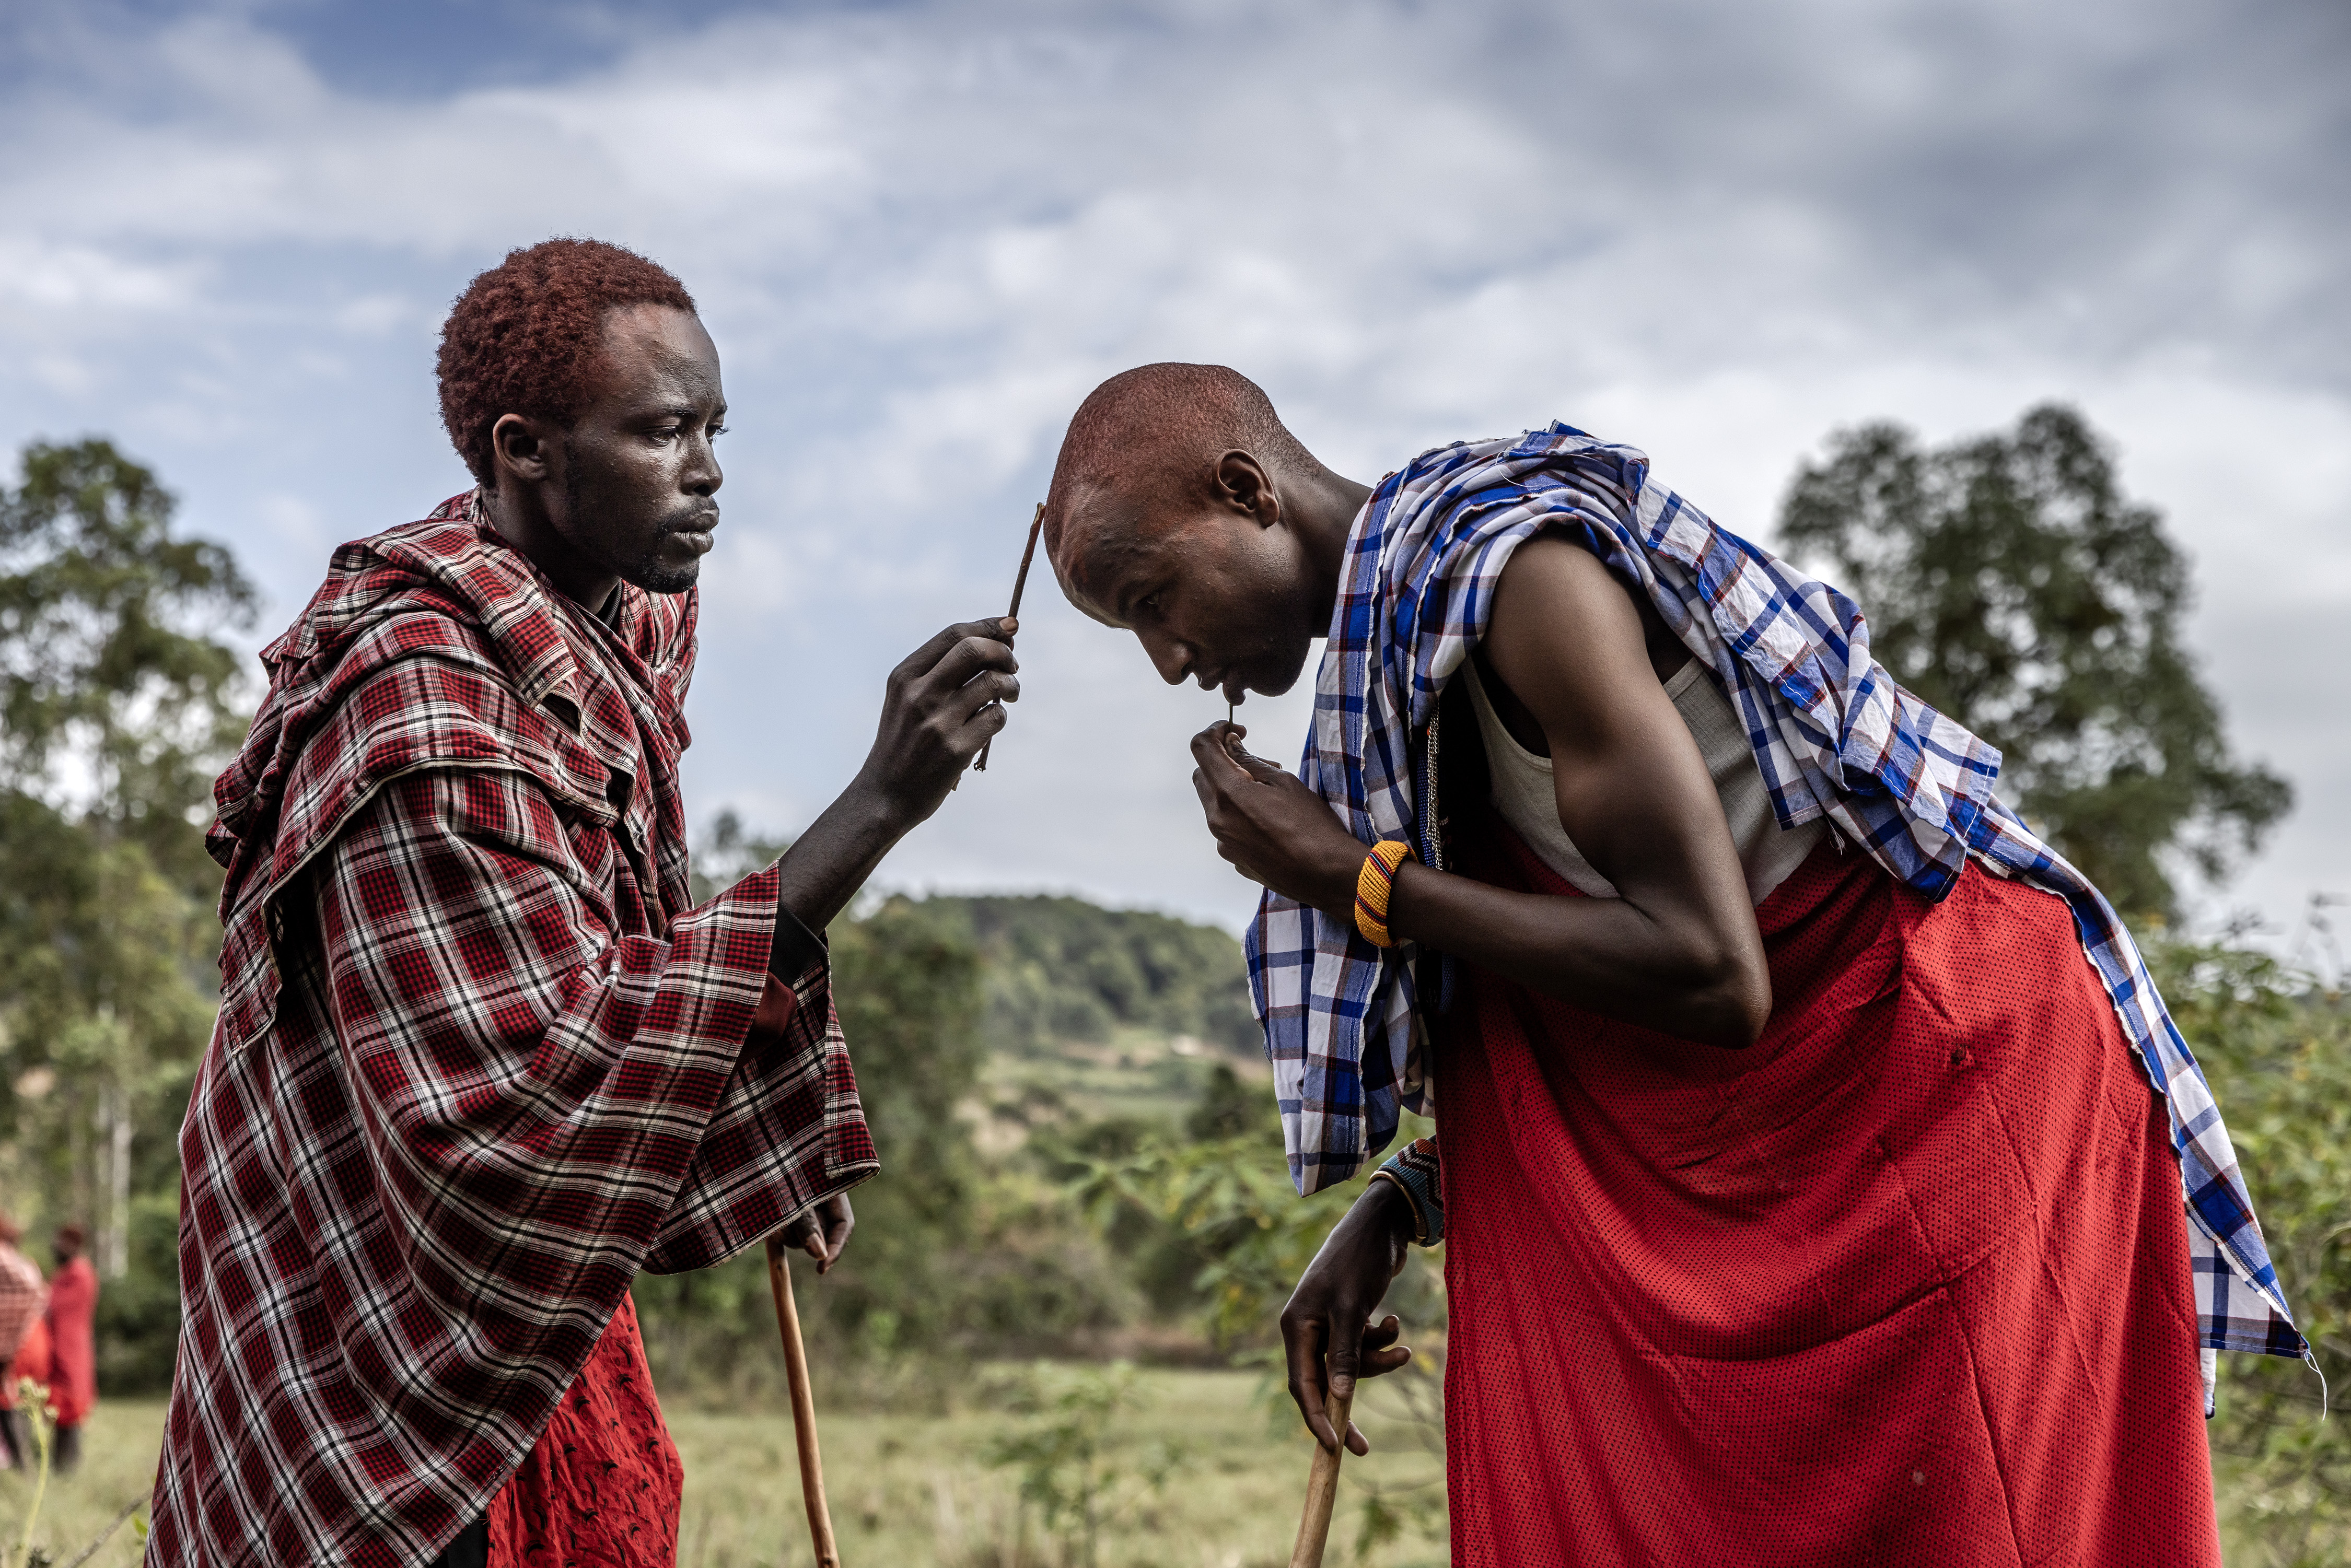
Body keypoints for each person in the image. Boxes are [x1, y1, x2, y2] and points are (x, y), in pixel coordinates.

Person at [1040, 364, 2303, 1565]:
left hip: (1939, 1079)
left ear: (1245, 489)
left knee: (1971, 1520)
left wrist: (1355, 882)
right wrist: (1405, 1193)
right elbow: (1551, 986)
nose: (1164, 657)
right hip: (1785, 1115)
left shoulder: (1518, 584)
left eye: (1152, 597)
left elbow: (1711, 968)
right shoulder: (1410, 666)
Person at [147, 239, 1022, 1567]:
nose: (710, 470)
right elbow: (513, 1105)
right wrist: (879, 802)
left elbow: (609, 936)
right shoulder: (424, 704)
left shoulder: (624, 617)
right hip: (371, 1289)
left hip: (535, 1294)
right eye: (664, 431)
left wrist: (742, 1116)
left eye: (717, 427)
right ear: (525, 450)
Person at [43, 1225, 95, 1474]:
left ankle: (69, 1467)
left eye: (60, 1242)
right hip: (57, 1348)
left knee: (72, 1407)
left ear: (73, 1245)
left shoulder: (80, 1274)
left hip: (72, 1350)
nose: (55, 1246)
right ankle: (57, 1466)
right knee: (57, 1407)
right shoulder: (63, 1274)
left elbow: (53, 1305)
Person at [0, 1216, 45, 1470]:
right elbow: (41, 1295)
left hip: (13, 1345)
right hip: (31, 1340)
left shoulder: (4, 1258)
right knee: (20, 1402)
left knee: (8, 1401)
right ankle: (22, 1461)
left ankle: (19, 1463)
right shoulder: (27, 1263)